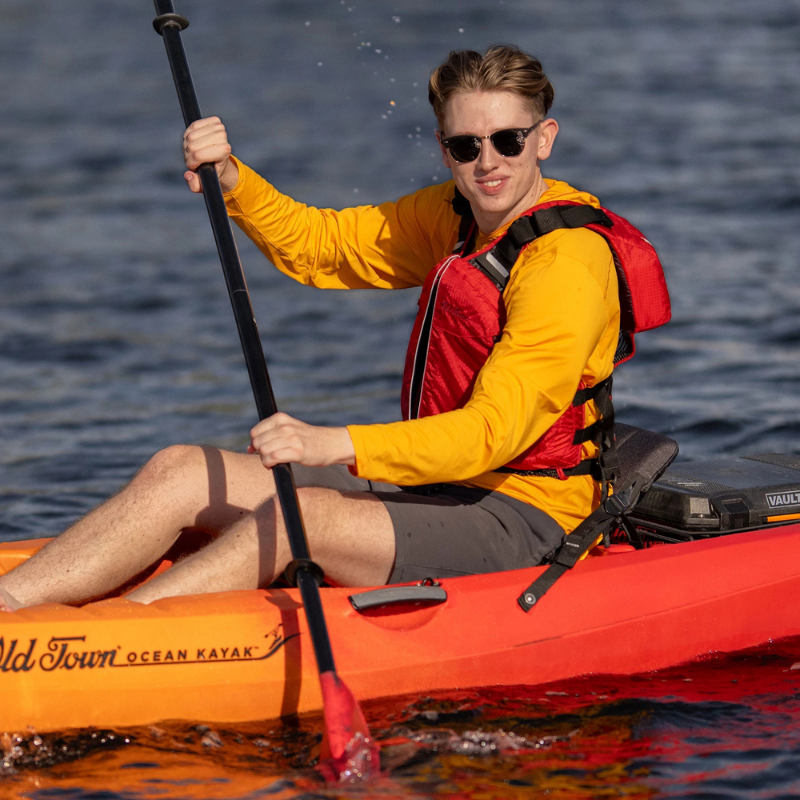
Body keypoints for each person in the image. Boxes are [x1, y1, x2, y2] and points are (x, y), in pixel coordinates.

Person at [0, 45, 622, 612]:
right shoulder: (454, 214)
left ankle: (98, 644)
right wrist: (234, 181)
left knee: (301, 515)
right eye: (466, 146)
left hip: (527, 514)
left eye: (508, 140)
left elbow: (494, 431)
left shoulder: (565, 264)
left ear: (544, 139)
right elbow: (324, 246)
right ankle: (9, 602)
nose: (487, 163)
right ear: (443, 147)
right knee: (180, 469)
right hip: (439, 481)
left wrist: (335, 443)